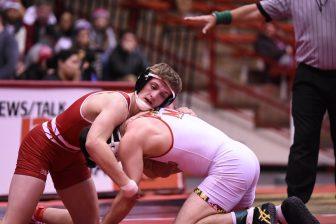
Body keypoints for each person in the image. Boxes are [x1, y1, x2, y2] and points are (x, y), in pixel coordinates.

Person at [27, 108, 319, 224]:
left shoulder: (131, 139)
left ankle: (273, 213)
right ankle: (277, 218)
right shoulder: (150, 118)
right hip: (242, 158)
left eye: (105, 156)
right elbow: (164, 169)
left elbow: (130, 194)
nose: (110, 162)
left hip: (230, 166)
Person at [184, 0, 336, 204]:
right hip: (309, 75)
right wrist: (219, 17)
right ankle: (296, 203)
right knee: (304, 140)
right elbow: (257, 10)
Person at [1, 62, 183, 224]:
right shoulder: (118, 103)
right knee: (15, 221)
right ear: (142, 81)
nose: (154, 95)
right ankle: (23, 215)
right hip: (43, 146)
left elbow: (148, 169)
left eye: (162, 95)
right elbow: (93, 143)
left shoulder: (144, 119)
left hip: (72, 158)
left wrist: (184, 116)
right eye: (153, 86)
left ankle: (36, 213)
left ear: (165, 102)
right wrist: (126, 184)